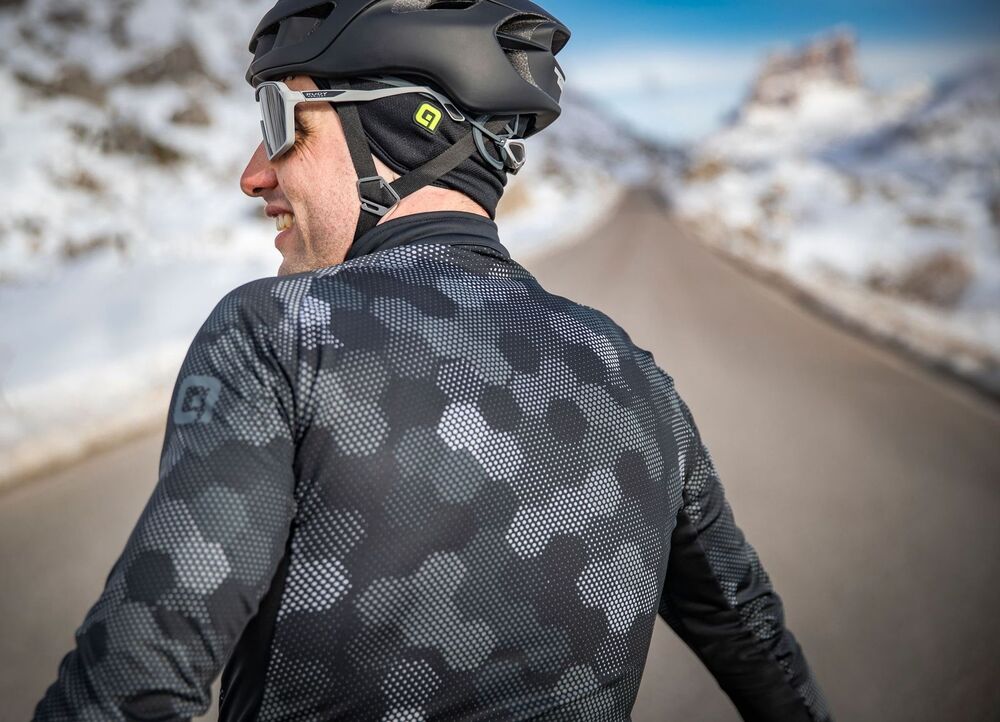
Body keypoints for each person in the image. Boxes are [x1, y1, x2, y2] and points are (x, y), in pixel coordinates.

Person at [34, 1, 833, 720]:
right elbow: (752, 636)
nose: (254, 174)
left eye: (280, 119)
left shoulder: (282, 333)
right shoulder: (636, 376)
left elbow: (130, 688)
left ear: (396, 132)